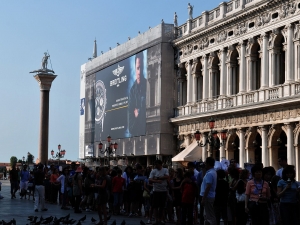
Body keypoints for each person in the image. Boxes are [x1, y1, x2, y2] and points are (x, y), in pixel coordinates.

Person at [128, 52, 146, 137]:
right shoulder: (132, 92)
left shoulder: (148, 85)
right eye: (137, 68)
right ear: (135, 69)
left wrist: (138, 114)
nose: (139, 72)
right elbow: (131, 128)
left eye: (141, 68)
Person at [149, 160, 169, 225]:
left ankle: (160, 219)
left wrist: (157, 178)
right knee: (155, 206)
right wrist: (157, 181)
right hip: (156, 191)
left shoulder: (165, 170)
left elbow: (167, 176)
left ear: (160, 164)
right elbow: (150, 179)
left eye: (157, 164)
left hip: (163, 190)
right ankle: (156, 219)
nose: (156, 166)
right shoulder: (153, 171)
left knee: (162, 206)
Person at [200, 157, 217, 225]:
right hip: (210, 196)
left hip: (208, 196)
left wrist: (204, 198)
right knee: (207, 215)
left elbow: (208, 186)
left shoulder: (210, 173)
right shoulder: (212, 172)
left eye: (205, 163)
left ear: (208, 164)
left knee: (210, 216)